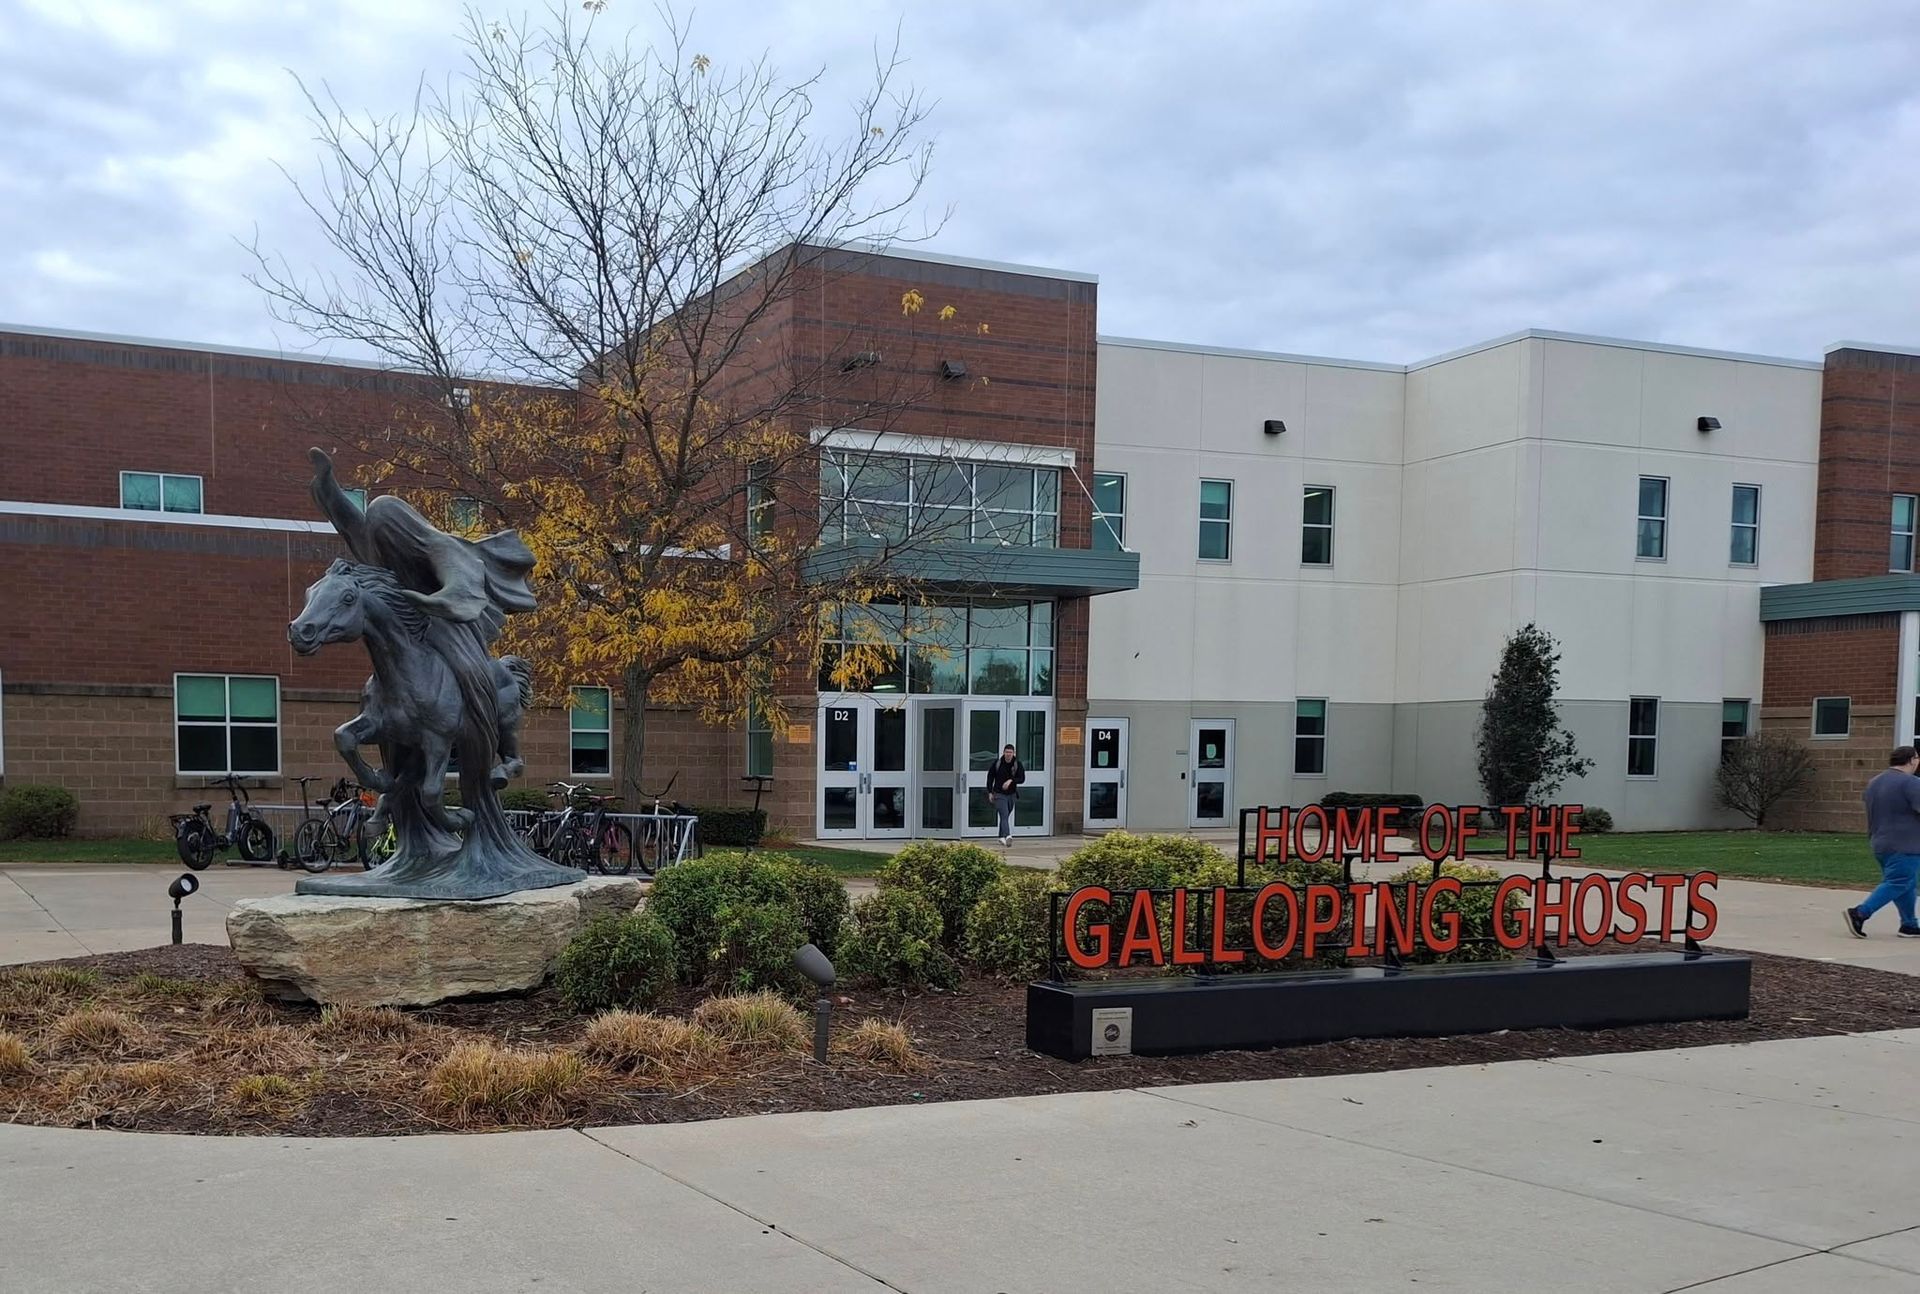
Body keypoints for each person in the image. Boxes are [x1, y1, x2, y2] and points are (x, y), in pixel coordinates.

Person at [1845, 745, 1920, 939]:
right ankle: (1860, 913)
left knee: (1907, 883)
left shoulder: (1874, 782)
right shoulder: (1911, 783)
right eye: (1917, 758)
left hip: (1880, 841)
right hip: (1906, 843)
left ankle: (1909, 924)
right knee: (1898, 881)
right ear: (1911, 760)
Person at [986, 742, 1025, 847]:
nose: (1008, 754)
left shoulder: (1017, 764)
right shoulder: (997, 764)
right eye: (1007, 752)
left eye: (1010, 752)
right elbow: (990, 778)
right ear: (1003, 752)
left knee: (1005, 816)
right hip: (999, 794)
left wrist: (1011, 780)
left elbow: (1022, 779)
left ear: (1014, 753)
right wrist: (990, 792)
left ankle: (1001, 837)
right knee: (1004, 815)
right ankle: (1008, 836)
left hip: (1011, 794)